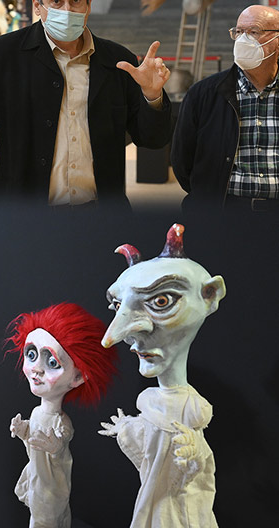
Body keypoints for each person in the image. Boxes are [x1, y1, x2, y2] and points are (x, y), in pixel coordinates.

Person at [0, 0, 172, 202]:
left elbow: (152, 139)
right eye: (56, 1)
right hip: (27, 219)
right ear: (38, 5)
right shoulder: (4, 55)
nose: (67, 11)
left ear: (89, 3)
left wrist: (152, 97)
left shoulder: (118, 60)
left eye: (76, 0)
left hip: (100, 216)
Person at [100, 224, 225, 528]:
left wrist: (194, 452)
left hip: (179, 502)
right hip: (154, 498)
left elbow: (199, 457)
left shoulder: (191, 408)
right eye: (117, 306)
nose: (112, 337)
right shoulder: (150, 401)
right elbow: (152, 444)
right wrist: (128, 429)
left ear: (210, 295)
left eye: (161, 301)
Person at [6, 303, 114, 528]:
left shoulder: (60, 422)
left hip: (51, 486)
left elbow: (60, 447)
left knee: (46, 519)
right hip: (37, 479)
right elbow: (32, 438)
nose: (36, 369)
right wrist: (23, 429)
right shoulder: (37, 412)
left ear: (77, 378)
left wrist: (54, 446)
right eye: (31, 354)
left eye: (52, 362)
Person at [171, 4, 279, 209]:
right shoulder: (202, 94)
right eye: (238, 32)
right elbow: (182, 162)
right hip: (223, 212)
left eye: (253, 32)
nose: (243, 40)